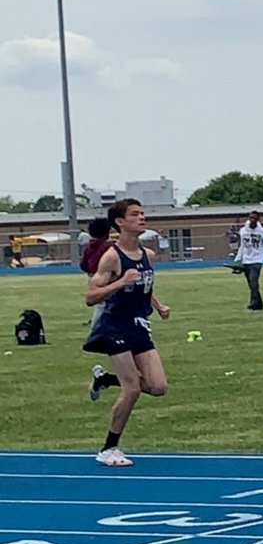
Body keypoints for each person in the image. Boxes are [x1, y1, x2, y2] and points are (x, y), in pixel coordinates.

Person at [84, 199, 171, 467]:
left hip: (139, 325)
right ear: (120, 222)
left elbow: (143, 286)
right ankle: (109, 448)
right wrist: (121, 281)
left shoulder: (147, 255)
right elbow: (90, 296)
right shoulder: (111, 257)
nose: (142, 218)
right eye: (135, 214)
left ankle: (105, 379)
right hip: (115, 325)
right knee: (132, 388)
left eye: (142, 213)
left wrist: (158, 305)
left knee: (157, 387)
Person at [233, 211, 263, 311]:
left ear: (258, 220)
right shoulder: (243, 231)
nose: (252, 220)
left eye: (254, 218)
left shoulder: (262, 232)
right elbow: (242, 246)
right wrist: (237, 260)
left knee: (253, 281)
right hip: (246, 260)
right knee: (251, 284)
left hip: (257, 259)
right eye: (251, 218)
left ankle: (252, 304)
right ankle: (259, 304)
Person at [80, 216, 115, 327]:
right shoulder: (108, 247)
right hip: (107, 277)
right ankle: (96, 327)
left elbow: (83, 265)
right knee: (104, 304)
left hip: (92, 276)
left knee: (100, 303)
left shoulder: (88, 247)